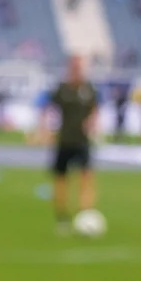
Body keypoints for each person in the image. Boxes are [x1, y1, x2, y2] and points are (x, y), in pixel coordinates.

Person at [41, 50, 101, 229]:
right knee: (60, 179)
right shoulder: (62, 89)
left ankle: (86, 212)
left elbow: (95, 109)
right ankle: (62, 216)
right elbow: (48, 108)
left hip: (82, 140)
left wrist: (93, 123)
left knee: (87, 176)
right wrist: (45, 130)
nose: (77, 69)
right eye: (74, 65)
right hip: (64, 140)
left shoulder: (88, 88)